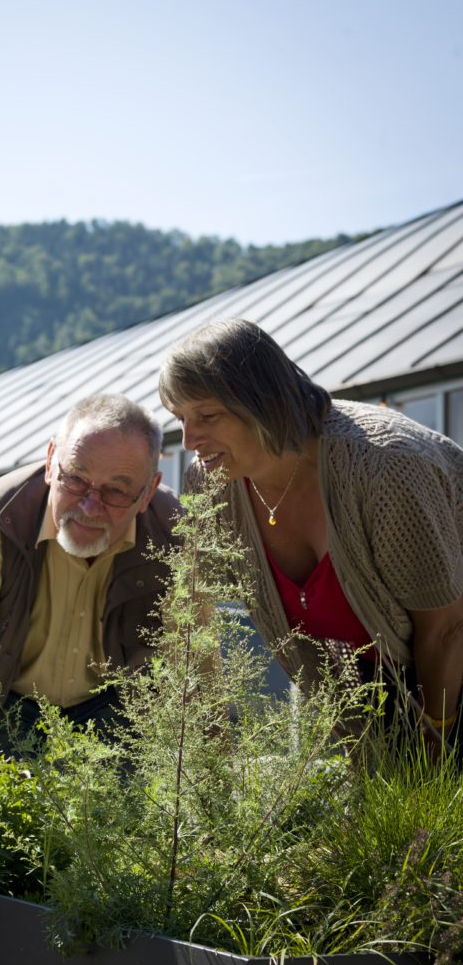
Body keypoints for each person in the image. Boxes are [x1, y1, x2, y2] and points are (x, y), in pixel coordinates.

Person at [159, 317, 463, 746]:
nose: (189, 439)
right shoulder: (210, 484)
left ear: (263, 403)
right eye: (180, 418)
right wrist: (211, 730)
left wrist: (437, 740)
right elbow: (192, 609)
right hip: (378, 687)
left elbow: (447, 627)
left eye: (207, 416)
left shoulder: (384, 467)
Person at [0, 394, 181, 751]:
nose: (90, 506)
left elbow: (198, 677)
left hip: (116, 706)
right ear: (51, 463)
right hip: (7, 702)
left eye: (116, 490)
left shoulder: (175, 537)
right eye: (76, 478)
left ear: (147, 493)